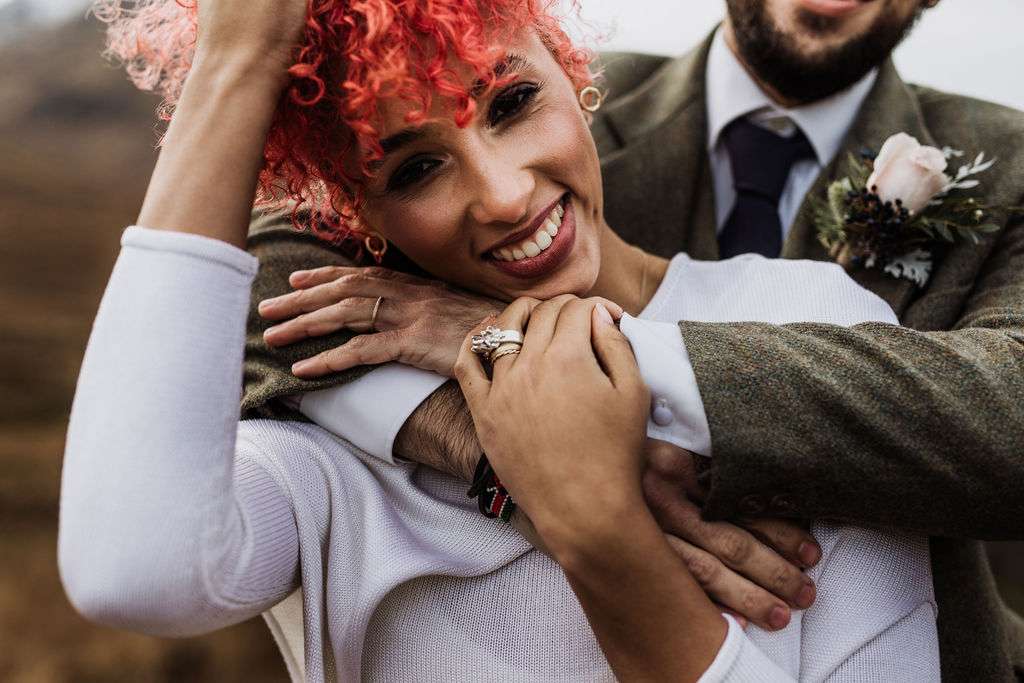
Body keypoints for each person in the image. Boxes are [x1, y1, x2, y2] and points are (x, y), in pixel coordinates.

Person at [58, 0, 942, 680]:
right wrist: (235, 66)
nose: (506, 195)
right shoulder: (343, 428)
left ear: (568, 63)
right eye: (416, 168)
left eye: (513, 103)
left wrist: (602, 533)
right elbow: (130, 570)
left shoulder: (804, 316)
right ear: (353, 213)